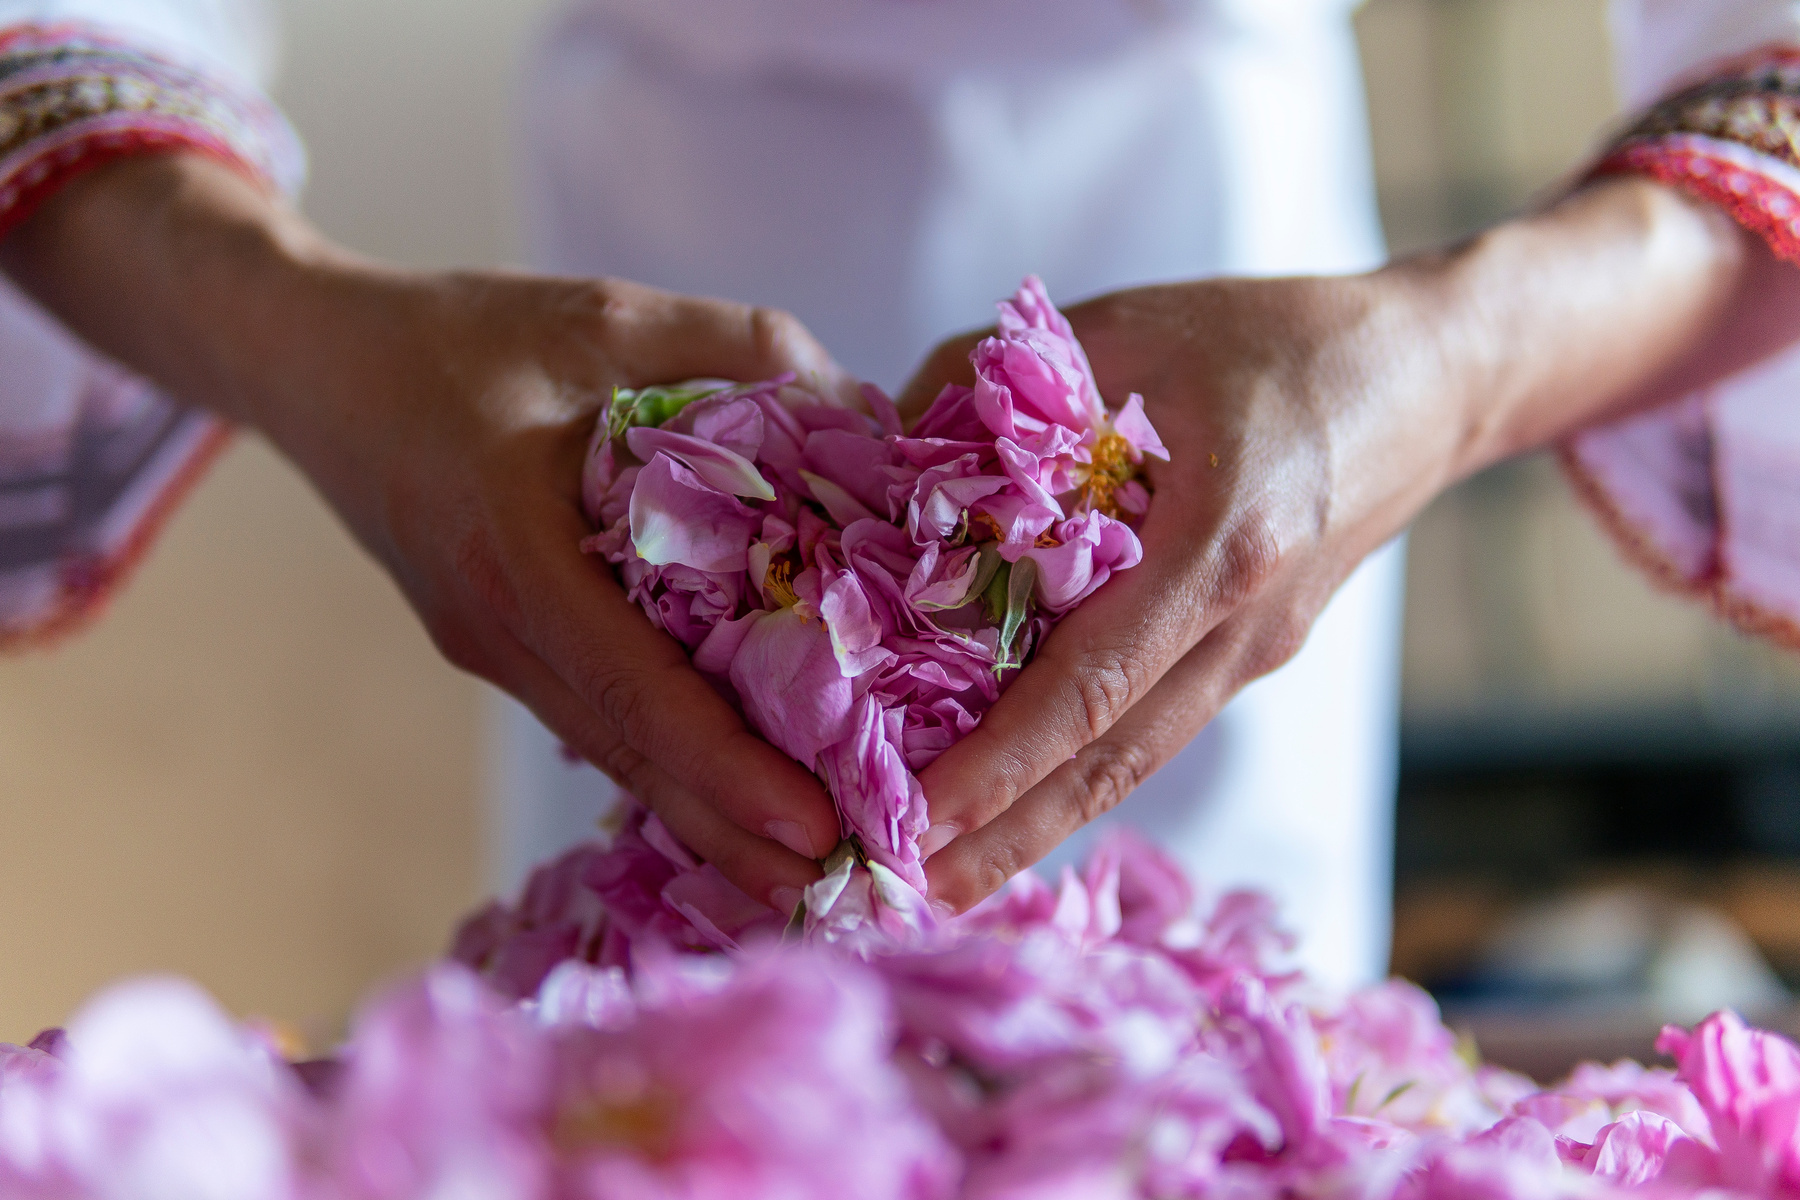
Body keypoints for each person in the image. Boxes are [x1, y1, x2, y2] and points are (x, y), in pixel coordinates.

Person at [1, 0, 1797, 995]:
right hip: (612, 349)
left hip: (1236, 336)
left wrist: (1453, 357)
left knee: (1177, 1059)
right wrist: (330, 354)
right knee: (686, 1028)